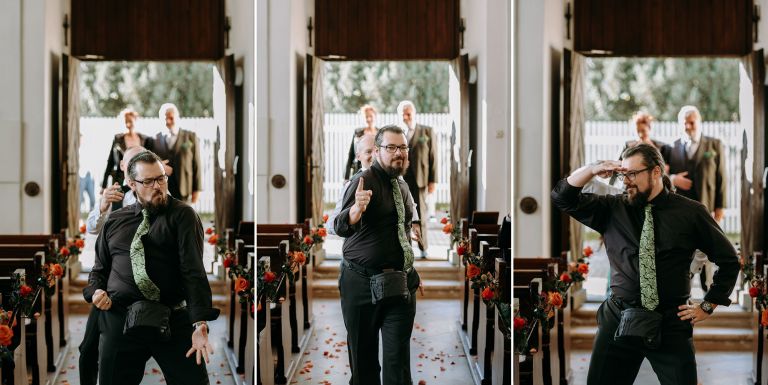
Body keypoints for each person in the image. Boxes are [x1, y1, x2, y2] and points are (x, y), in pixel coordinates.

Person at [551, 143, 739, 385]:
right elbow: (561, 197)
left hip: (671, 323)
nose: (625, 180)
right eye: (622, 174)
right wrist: (592, 169)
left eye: (632, 174)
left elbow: (729, 260)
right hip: (618, 318)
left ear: (656, 172)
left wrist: (708, 305)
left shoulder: (691, 212)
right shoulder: (612, 208)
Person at [84, 150, 219, 385]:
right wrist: (96, 292)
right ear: (131, 183)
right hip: (121, 318)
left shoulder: (183, 215)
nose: (157, 186)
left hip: (173, 318)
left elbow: (193, 271)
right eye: (148, 181)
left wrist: (200, 324)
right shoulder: (115, 220)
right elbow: (99, 271)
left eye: (161, 178)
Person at [334, 125, 423, 385]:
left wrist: (410, 269)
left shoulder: (402, 186)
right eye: (392, 147)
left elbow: (402, 231)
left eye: (403, 147)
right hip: (361, 286)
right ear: (378, 152)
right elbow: (340, 226)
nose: (399, 153)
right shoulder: (363, 182)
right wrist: (354, 213)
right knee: (364, 366)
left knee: (398, 365)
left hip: (399, 286)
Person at [79, 145, 145, 385]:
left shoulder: (153, 193)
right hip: (107, 283)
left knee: (120, 356)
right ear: (124, 168)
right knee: (88, 349)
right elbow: (92, 228)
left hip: (137, 286)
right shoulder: (114, 194)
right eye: (130, 161)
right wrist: (103, 206)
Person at [661, 106, 727, 293]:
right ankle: (683, 289)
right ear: (680, 125)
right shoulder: (670, 148)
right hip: (680, 210)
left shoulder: (714, 145)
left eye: (692, 122)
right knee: (684, 248)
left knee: (707, 246)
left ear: (699, 122)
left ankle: (709, 290)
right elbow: (661, 178)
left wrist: (720, 206)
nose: (689, 126)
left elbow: (722, 178)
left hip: (707, 206)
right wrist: (674, 178)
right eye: (685, 123)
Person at [328, 134, 422, 241]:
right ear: (358, 156)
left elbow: (410, 203)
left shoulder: (396, 178)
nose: (374, 156)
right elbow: (331, 225)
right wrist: (354, 213)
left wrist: (414, 223)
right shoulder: (352, 184)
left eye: (377, 150)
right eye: (368, 151)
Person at [398, 100, 437, 259]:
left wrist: (432, 180)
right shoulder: (399, 133)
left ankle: (423, 247)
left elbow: (433, 157)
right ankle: (407, 249)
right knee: (405, 215)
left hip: (421, 180)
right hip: (403, 180)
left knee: (421, 214)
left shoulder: (427, 132)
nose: (406, 117)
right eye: (403, 114)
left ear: (414, 114)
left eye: (408, 113)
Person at [86, 146, 146, 235]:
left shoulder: (157, 189)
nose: (137, 166)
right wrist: (102, 208)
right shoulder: (112, 193)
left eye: (142, 161)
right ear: (122, 165)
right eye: (132, 161)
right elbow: (92, 229)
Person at [151, 103, 202, 203]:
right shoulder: (155, 139)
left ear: (177, 118)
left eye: (171, 118)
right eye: (165, 118)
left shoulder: (190, 137)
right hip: (162, 190)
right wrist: (160, 166)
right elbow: (149, 162)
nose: (168, 121)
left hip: (184, 188)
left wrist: (196, 189)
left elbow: (196, 164)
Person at [101, 108, 151, 192]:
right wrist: (104, 185)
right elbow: (110, 161)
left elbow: (149, 160)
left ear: (135, 120)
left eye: (130, 121)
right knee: (118, 203)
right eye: (125, 121)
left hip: (140, 178)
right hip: (120, 179)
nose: (128, 124)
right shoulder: (117, 139)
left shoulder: (144, 139)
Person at [344, 105, 379, 182]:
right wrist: (346, 177)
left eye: (371, 116)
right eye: (366, 116)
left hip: (376, 171)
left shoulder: (380, 133)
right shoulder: (357, 133)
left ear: (375, 116)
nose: (369, 119)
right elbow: (351, 155)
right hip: (358, 170)